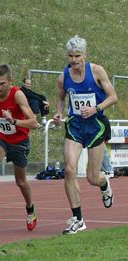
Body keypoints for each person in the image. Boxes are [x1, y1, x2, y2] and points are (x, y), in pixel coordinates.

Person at [53, 35, 117, 235]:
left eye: (77, 56)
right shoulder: (63, 77)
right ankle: (78, 219)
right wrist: (59, 112)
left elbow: (113, 97)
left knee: (91, 177)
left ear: (85, 55)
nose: (73, 60)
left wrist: (96, 108)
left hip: (95, 126)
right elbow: (61, 98)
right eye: (70, 56)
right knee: (70, 171)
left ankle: (104, 182)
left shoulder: (96, 71)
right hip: (75, 126)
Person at [0, 64, 39, 231]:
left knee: (21, 181)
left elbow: (34, 123)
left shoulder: (18, 95)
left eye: (2, 83)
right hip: (0, 137)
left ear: (11, 82)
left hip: (19, 140)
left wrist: (14, 121)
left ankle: (30, 208)